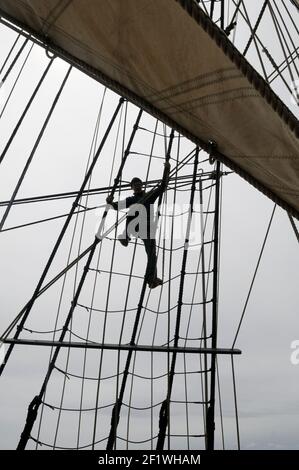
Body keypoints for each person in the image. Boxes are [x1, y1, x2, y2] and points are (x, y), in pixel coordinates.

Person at [106, 162, 170, 288]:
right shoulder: (131, 200)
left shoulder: (149, 196)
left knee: (151, 253)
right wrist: (109, 202)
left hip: (147, 228)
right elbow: (116, 206)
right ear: (132, 187)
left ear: (141, 185)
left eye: (138, 184)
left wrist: (166, 170)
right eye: (134, 185)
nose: (136, 186)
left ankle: (151, 278)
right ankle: (125, 236)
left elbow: (163, 186)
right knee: (133, 209)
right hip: (136, 226)